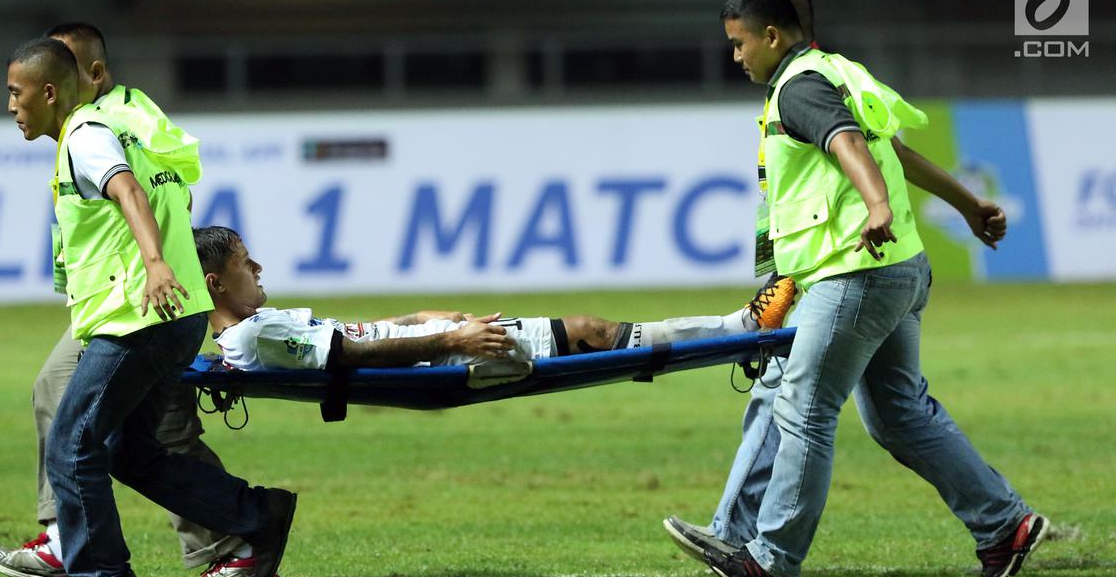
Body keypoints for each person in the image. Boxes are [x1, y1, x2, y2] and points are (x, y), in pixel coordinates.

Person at [670, 0, 1045, 577]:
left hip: (853, 271)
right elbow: (895, 151)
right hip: (899, 270)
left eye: (739, 44)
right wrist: (971, 205)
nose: (735, 56)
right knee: (898, 414)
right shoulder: (843, 72)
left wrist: (877, 205)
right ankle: (1005, 525)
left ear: (771, 36)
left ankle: (771, 558)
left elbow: (847, 143)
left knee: (803, 406)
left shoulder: (799, 87)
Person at [4, 37, 294, 577]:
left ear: (47, 92)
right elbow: (170, 194)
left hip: (137, 316)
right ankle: (257, 514)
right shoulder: (129, 124)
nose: (11, 106)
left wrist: (157, 264)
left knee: (71, 443)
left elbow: (127, 189)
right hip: (175, 314)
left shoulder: (84, 138)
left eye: (16, 94)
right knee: (127, 451)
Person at [192, 226, 796, 372]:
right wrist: (452, 337)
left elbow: (349, 334)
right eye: (245, 263)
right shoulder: (251, 335)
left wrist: (417, 317)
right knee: (595, 331)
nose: (258, 267)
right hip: (446, 360)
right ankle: (741, 327)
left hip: (436, 347)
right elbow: (345, 357)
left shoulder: (255, 327)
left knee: (594, 330)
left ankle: (738, 327)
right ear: (216, 282)